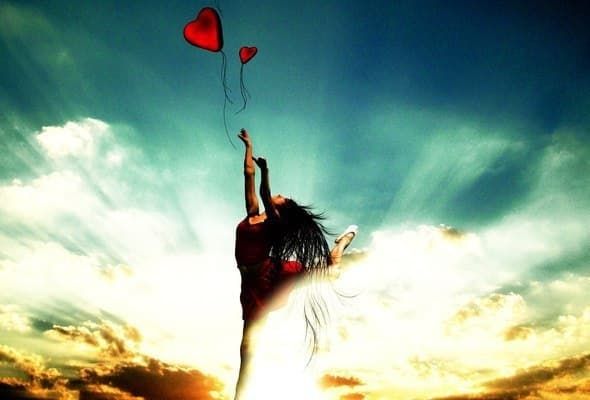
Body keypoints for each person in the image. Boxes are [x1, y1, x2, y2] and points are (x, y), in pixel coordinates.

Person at [234, 128, 357, 400]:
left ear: (282, 208)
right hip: (250, 285)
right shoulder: (252, 213)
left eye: (283, 197)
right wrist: (248, 147)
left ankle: (342, 242)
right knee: (245, 351)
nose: (279, 194)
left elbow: (264, 191)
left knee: (330, 272)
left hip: (267, 278)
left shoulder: (274, 222)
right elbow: (248, 175)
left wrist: (266, 171)